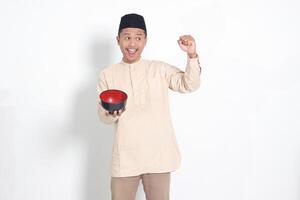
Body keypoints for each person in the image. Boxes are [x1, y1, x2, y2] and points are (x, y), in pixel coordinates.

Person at [96, 13, 202, 200]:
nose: (132, 44)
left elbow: (189, 84)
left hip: (158, 156)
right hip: (125, 159)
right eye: (127, 37)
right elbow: (103, 115)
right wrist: (112, 113)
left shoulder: (159, 69)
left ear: (145, 40)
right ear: (118, 40)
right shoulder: (108, 74)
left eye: (138, 38)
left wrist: (191, 55)